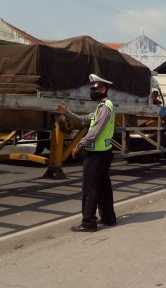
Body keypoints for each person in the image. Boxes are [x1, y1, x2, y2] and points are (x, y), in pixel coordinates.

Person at [57, 73, 117, 232]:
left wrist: (80, 145)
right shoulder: (101, 107)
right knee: (103, 186)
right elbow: (85, 120)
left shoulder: (105, 107)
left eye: (95, 88)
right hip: (103, 152)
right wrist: (66, 112)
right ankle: (109, 218)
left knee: (90, 189)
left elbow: (95, 131)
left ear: (103, 89)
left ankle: (89, 223)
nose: (93, 90)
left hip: (97, 154)